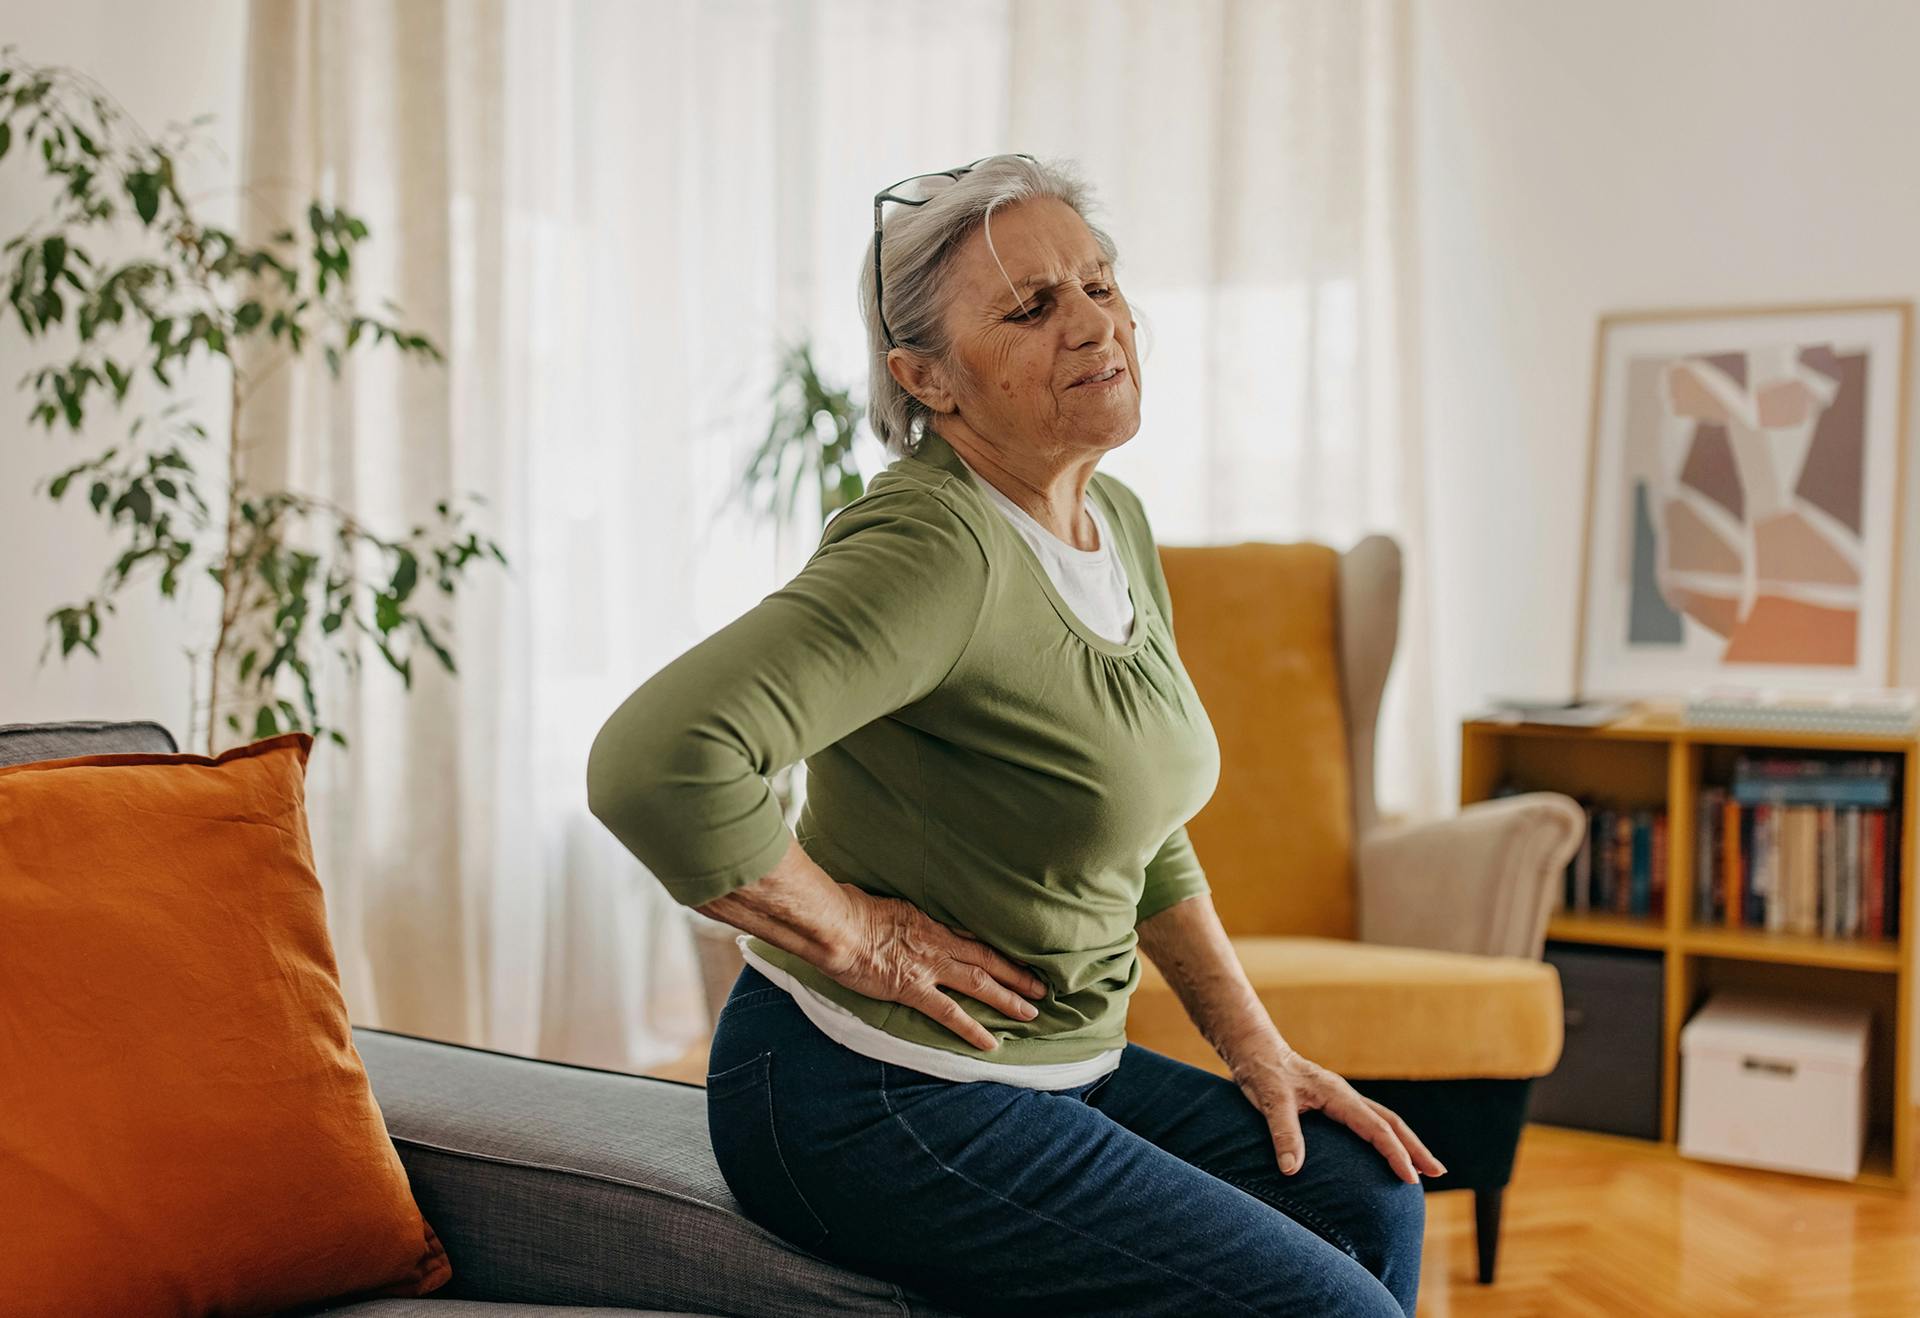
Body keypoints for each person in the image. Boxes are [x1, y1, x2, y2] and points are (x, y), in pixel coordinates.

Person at [586, 153, 1436, 1318]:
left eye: (1099, 282)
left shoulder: (1110, 521)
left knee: (1362, 1190)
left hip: (1046, 1068)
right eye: (1033, 308)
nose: (1095, 324)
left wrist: (1258, 1051)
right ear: (926, 378)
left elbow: (1142, 831)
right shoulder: (933, 551)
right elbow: (658, 761)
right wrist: (859, 937)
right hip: (868, 1089)